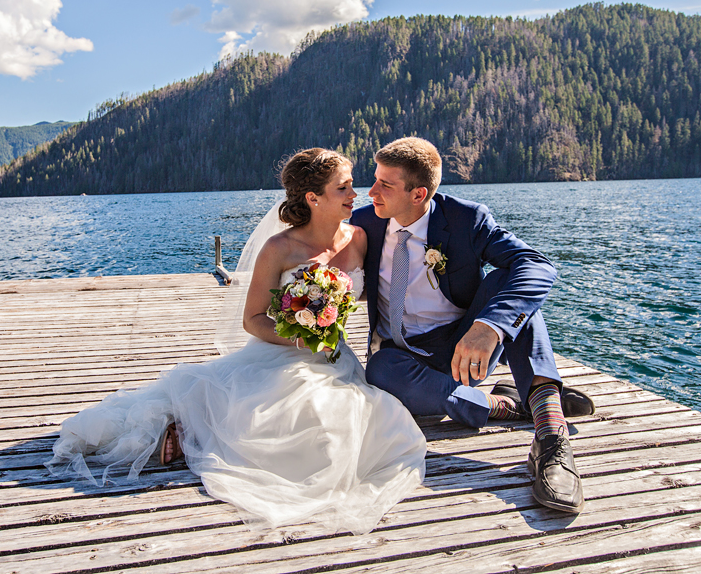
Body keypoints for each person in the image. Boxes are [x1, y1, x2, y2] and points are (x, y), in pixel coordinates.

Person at [47, 148, 427, 535]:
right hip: (282, 351)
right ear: (313, 198)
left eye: (351, 185)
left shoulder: (359, 237)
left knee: (366, 423)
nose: (355, 194)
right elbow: (252, 319)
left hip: (336, 358)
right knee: (300, 417)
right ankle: (187, 429)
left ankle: (192, 430)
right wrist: (302, 341)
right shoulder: (280, 248)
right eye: (343, 188)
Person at [350, 137, 594, 514]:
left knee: (512, 288)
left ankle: (551, 441)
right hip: (402, 360)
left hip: (467, 351)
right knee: (381, 370)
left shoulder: (467, 219)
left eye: (385, 184)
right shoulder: (365, 222)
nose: (372, 192)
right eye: (375, 179)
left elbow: (536, 265)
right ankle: (507, 405)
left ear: (418, 194)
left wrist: (489, 327)